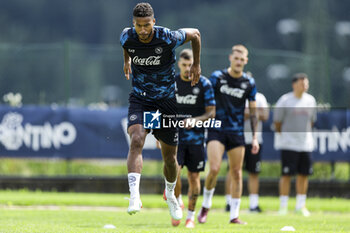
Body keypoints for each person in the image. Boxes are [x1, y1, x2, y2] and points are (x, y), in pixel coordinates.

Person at [120, 2, 201, 221]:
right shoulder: (127, 36)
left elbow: (196, 34)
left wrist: (196, 65)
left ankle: (172, 194)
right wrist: (126, 60)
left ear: (154, 22)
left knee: (169, 158)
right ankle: (134, 196)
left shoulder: (168, 37)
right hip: (141, 100)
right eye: (139, 26)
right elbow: (125, 45)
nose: (143, 30)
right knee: (136, 140)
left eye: (147, 25)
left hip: (166, 102)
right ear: (133, 24)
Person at [197, 45, 259, 225]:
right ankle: (206, 205)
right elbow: (205, 99)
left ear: (246, 61)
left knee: (237, 173)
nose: (239, 62)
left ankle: (234, 215)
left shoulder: (249, 83)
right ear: (230, 58)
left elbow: (254, 114)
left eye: (242, 59)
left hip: (236, 132)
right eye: (236, 58)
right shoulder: (218, 77)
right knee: (214, 169)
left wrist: (254, 137)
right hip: (216, 128)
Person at [170, 49, 215, 228]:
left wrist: (194, 121)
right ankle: (178, 202)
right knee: (174, 174)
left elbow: (211, 113)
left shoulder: (204, 84)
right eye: (184, 65)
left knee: (194, 177)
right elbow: (162, 108)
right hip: (174, 137)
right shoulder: (171, 83)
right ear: (179, 64)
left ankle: (190, 216)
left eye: (191, 65)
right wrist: (159, 133)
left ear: (196, 65)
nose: (188, 68)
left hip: (196, 139)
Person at [274, 73, 316, 217]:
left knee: (303, 175)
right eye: (301, 83)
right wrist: (285, 135)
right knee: (286, 175)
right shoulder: (285, 100)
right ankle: (283, 207)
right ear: (294, 84)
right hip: (288, 144)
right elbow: (277, 122)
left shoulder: (311, 100)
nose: (304, 86)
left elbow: (311, 121)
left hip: (306, 144)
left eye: (306, 83)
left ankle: (300, 206)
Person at [224, 87, 269, 213]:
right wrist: (253, 112)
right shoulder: (235, 96)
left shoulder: (260, 97)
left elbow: (265, 116)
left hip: (255, 140)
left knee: (254, 172)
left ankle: (253, 205)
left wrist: (246, 112)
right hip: (236, 139)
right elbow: (232, 114)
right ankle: (229, 203)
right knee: (232, 171)